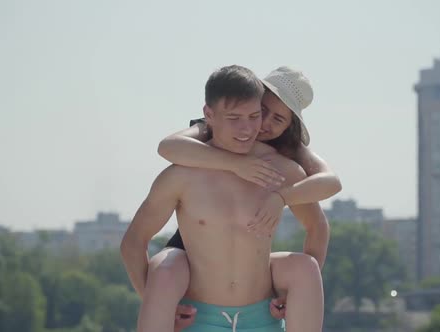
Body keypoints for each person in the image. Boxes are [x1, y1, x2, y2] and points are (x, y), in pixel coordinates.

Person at [133, 66, 341, 331]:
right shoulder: (201, 138)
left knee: (305, 268)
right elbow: (167, 147)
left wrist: (281, 198)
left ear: (289, 126)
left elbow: (330, 188)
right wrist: (234, 164)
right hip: (192, 263)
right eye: (261, 112)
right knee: (167, 264)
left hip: (254, 296)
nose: (260, 124)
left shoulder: (288, 160)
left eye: (276, 119)